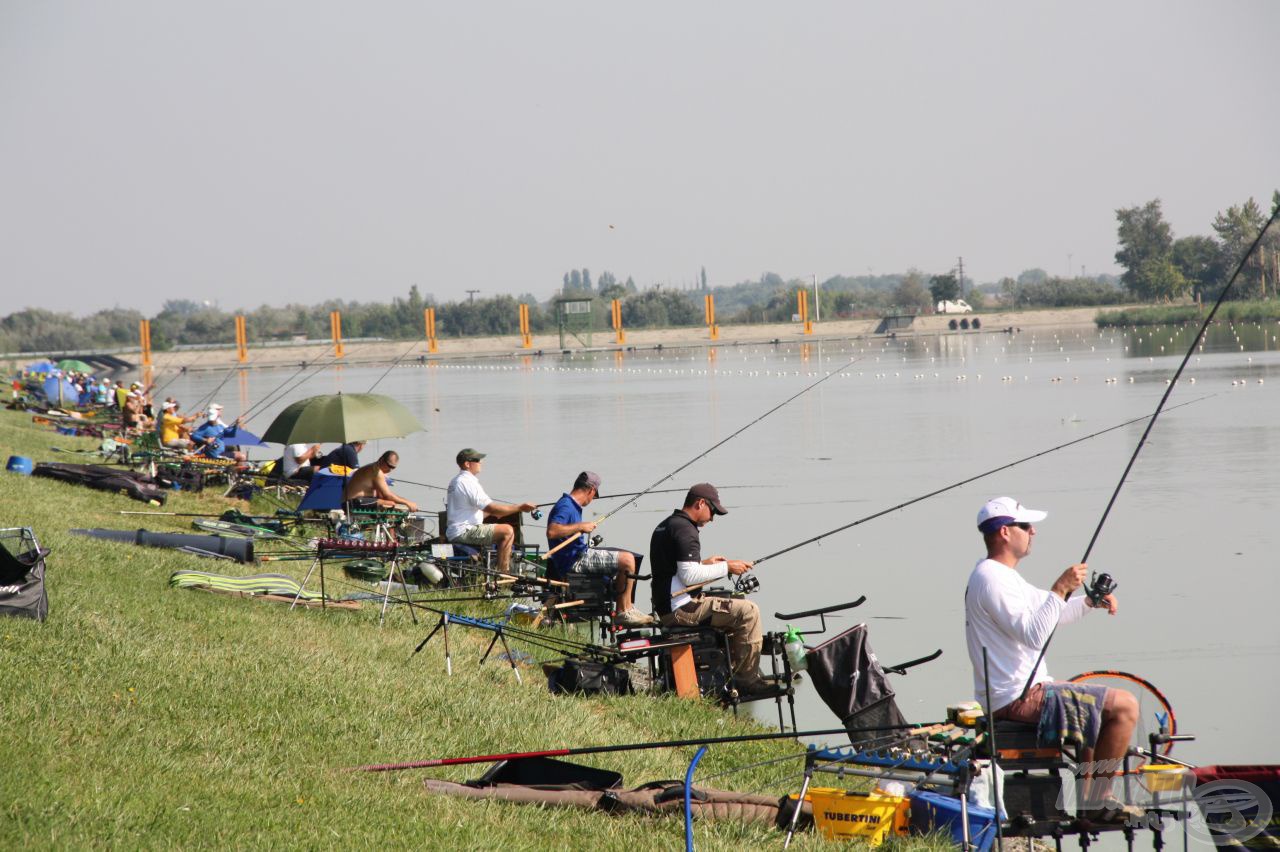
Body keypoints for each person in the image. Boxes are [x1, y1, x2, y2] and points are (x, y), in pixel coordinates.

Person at [964, 496, 1140, 822]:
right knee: (1126, 705)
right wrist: (1060, 587)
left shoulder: (1003, 577)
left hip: (1023, 690)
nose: (1033, 531)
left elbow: (1049, 614)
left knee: (1097, 705)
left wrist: (1087, 602)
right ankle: (1099, 802)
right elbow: (1034, 634)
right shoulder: (992, 579)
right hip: (1017, 696)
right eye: (1025, 526)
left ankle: (1091, 802)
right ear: (1005, 532)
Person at [649, 483, 769, 696]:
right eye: (712, 511)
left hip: (666, 605)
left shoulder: (667, 524)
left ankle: (728, 671)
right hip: (681, 609)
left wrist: (705, 563)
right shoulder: (686, 529)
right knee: (749, 611)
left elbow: (674, 571)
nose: (712, 518)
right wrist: (727, 567)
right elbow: (688, 576)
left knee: (731, 599)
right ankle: (747, 680)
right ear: (700, 503)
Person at [546, 471, 653, 628]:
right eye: (594, 496)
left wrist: (579, 529)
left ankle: (628, 606)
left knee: (630, 557)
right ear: (591, 490)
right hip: (574, 560)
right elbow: (552, 531)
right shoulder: (566, 505)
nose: (592, 500)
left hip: (578, 554)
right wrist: (581, 526)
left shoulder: (571, 505)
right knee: (627, 559)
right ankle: (623, 612)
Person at [444, 448, 537, 573]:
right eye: (477, 460)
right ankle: (504, 575)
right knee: (507, 531)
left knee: (501, 527)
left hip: (456, 530)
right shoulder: (468, 482)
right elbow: (491, 508)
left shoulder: (456, 481)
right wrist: (520, 507)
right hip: (464, 531)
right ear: (467, 464)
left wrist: (496, 513)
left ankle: (496, 569)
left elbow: (472, 510)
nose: (481, 462)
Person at [343, 450, 417, 512]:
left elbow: (381, 495)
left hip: (357, 501)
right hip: (352, 502)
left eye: (393, 468)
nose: (390, 469)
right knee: (391, 504)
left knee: (391, 503)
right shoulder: (376, 471)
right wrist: (407, 502)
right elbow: (388, 496)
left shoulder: (373, 467)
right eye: (389, 465)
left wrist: (405, 501)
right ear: (381, 459)